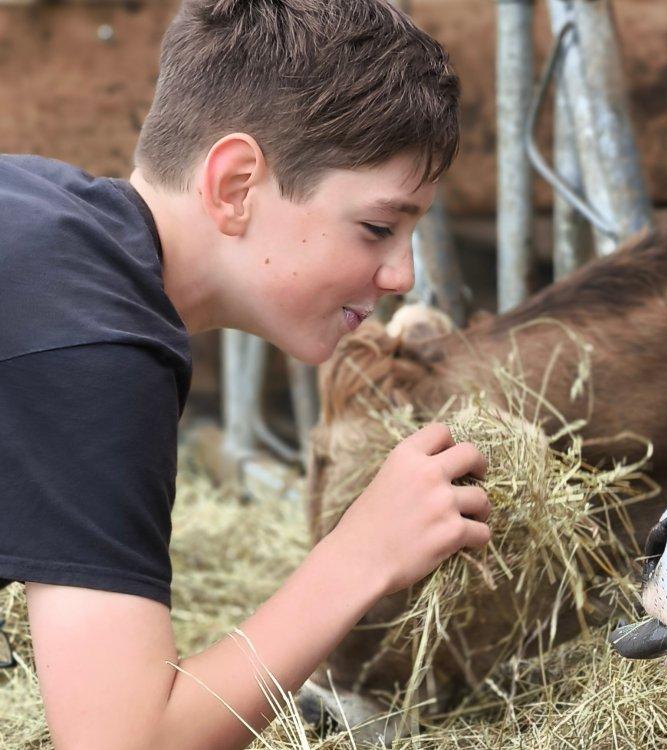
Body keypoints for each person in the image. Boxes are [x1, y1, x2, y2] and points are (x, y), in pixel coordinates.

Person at [0, 1, 491, 747]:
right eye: (377, 228)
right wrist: (360, 555)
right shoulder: (96, 345)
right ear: (234, 186)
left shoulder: (43, 222)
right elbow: (126, 741)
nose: (403, 274)